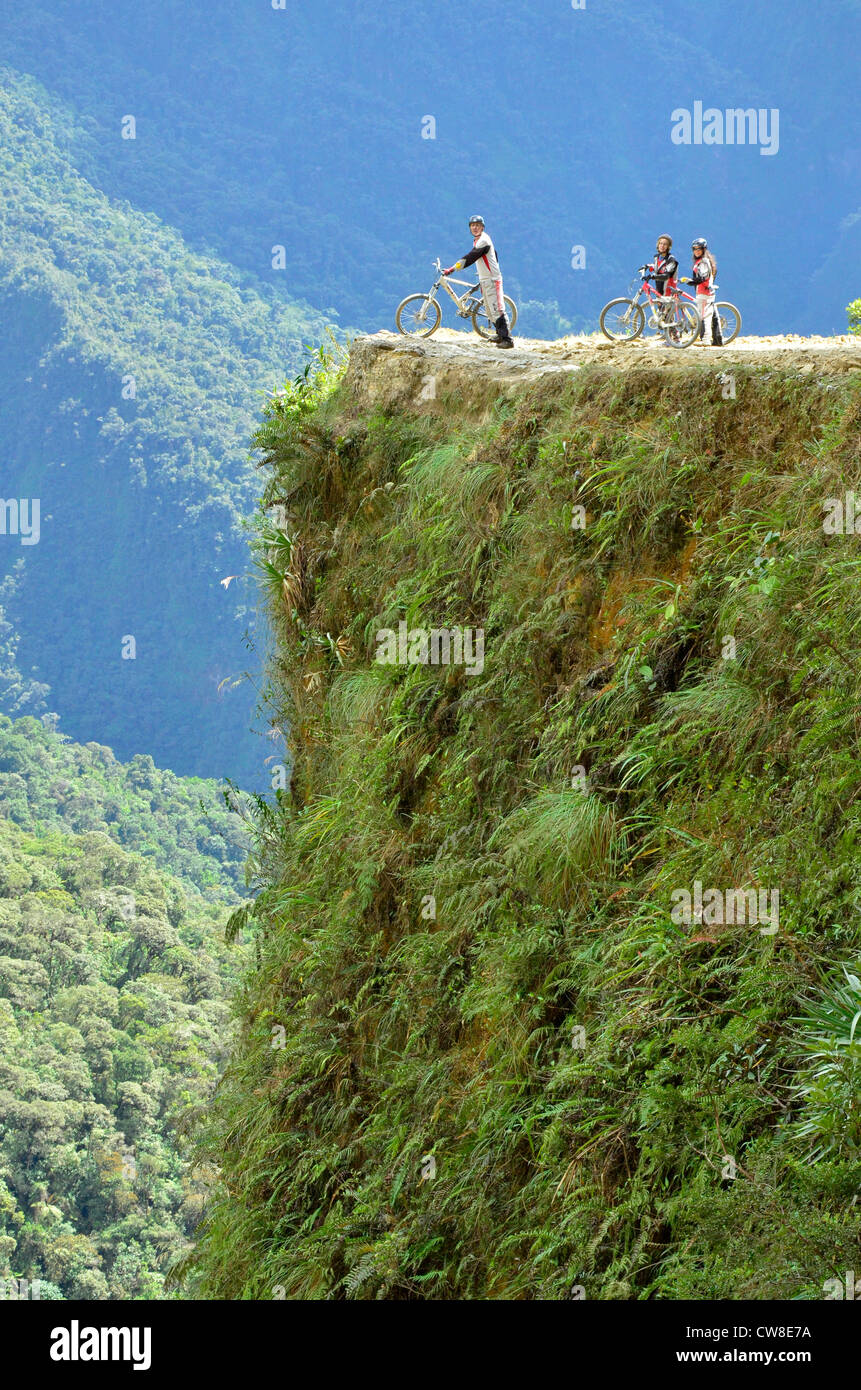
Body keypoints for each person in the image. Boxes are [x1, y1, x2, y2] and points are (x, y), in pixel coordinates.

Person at [443, 216, 514, 348]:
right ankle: (500, 335)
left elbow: (470, 258)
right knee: (488, 309)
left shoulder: (484, 241)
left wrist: (452, 269)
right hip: (485, 279)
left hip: (492, 280)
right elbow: (494, 254)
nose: (475, 228)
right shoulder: (478, 240)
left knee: (497, 309)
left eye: (478, 225)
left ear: (482, 227)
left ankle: (508, 340)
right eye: (472, 225)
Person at [680, 238, 723, 345]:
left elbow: (703, 277)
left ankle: (706, 340)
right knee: (709, 316)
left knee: (705, 317)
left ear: (704, 249)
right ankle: (717, 339)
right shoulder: (701, 261)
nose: (697, 251)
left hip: (704, 293)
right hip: (703, 292)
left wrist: (691, 281)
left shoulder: (703, 262)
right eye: (694, 249)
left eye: (699, 249)